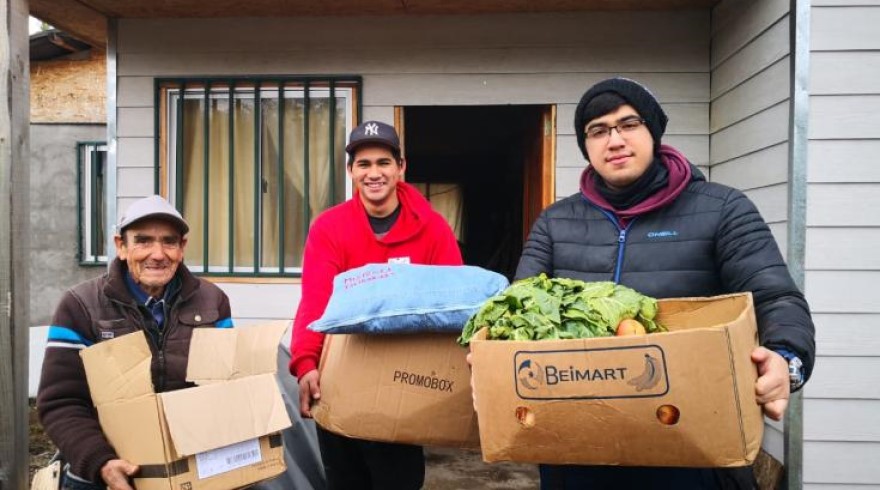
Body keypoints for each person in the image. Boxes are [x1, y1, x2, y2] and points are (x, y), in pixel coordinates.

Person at [514, 77, 816, 489]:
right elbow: (520, 309)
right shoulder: (555, 222)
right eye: (598, 131)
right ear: (586, 146)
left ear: (653, 131)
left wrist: (786, 358)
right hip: (579, 451)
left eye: (628, 124)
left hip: (691, 448)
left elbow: (776, 296)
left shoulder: (722, 209)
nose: (614, 140)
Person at [290, 120, 463, 489]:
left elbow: (454, 303)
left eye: (383, 162)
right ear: (351, 171)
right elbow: (315, 299)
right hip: (340, 381)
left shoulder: (432, 229)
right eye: (364, 164)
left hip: (403, 384)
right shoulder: (329, 227)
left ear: (401, 167)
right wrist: (306, 362)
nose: (374, 173)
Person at [37, 195, 233, 490]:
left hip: (190, 469)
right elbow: (61, 401)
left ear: (182, 248)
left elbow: (228, 386)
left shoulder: (213, 302)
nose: (157, 254)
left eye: (169, 241)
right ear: (121, 246)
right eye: (143, 241)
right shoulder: (80, 305)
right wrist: (100, 461)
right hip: (105, 471)